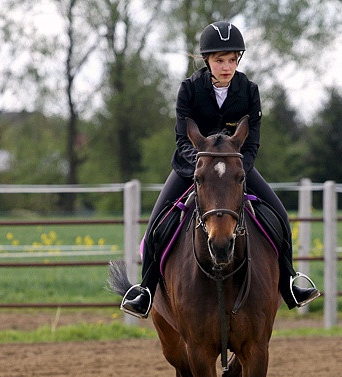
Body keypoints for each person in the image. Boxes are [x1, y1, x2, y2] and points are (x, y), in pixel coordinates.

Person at [120, 21, 319, 318]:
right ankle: (146, 291)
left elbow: (251, 143)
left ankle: (290, 281)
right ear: (206, 61)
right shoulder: (188, 89)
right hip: (193, 168)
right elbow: (181, 138)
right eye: (219, 60)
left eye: (232, 60)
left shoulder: (249, 91)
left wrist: (239, 168)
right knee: (154, 229)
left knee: (281, 220)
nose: (226, 67)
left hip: (237, 167)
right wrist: (202, 166)